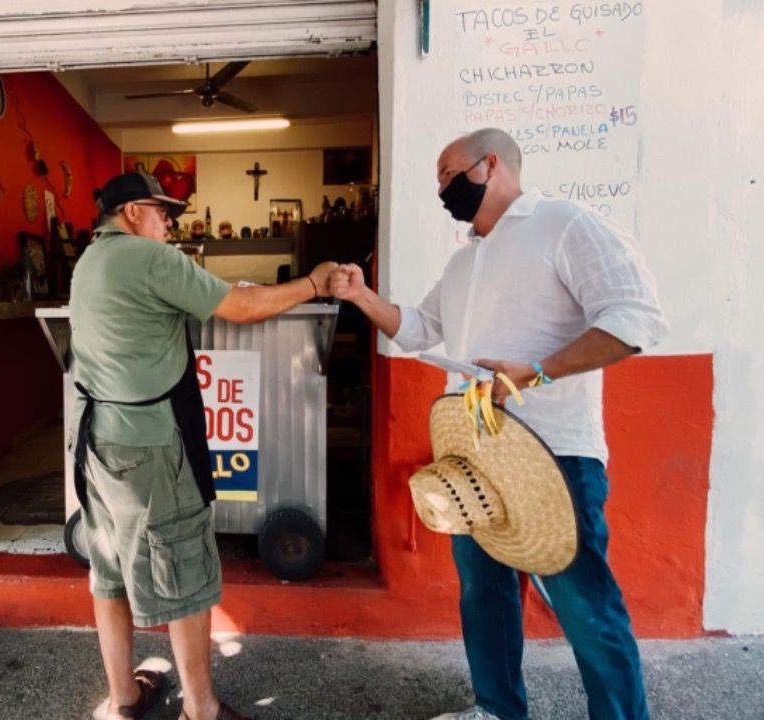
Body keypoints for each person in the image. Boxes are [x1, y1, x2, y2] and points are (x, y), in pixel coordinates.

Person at [331, 128, 668, 720]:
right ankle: (496, 708)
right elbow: (419, 329)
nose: (441, 189)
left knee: (586, 607)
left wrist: (534, 373)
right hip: (474, 455)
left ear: (490, 165)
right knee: (483, 593)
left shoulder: (565, 224)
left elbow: (634, 320)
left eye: (448, 174)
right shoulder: (465, 258)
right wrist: (362, 297)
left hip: (555, 453)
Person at [72, 172, 338, 720]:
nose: (171, 223)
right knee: (183, 566)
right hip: (151, 445)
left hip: (99, 439)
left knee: (111, 568)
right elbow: (241, 307)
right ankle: (202, 709)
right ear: (132, 212)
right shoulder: (150, 258)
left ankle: (125, 699)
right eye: (163, 213)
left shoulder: (90, 259)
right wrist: (314, 284)